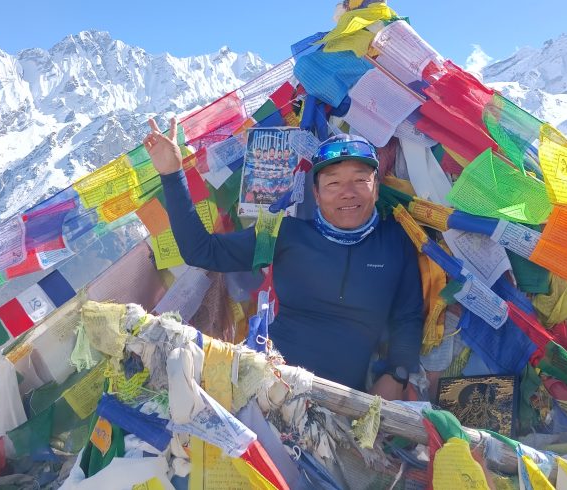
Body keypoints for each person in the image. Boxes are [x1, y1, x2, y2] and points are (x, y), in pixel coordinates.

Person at [144, 118, 423, 399]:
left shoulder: (396, 241)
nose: (347, 192)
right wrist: (172, 174)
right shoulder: (285, 233)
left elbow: (408, 317)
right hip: (266, 385)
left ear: (375, 187)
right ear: (316, 193)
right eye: (333, 183)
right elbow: (202, 251)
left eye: (360, 180)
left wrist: (396, 374)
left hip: (343, 402)